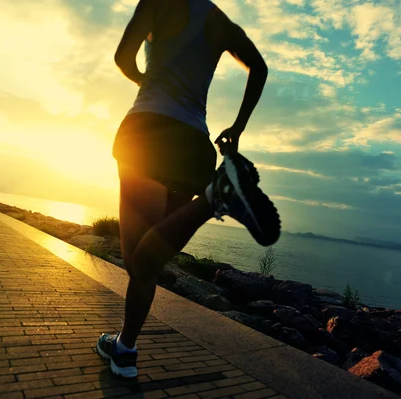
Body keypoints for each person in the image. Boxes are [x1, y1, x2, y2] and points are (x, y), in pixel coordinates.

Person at [96, 0, 280, 378]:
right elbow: (258, 67)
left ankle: (213, 199)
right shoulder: (216, 18)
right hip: (194, 143)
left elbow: (122, 57)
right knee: (151, 257)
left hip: (145, 134)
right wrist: (239, 126)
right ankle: (124, 348)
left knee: (138, 263)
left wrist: (144, 79)